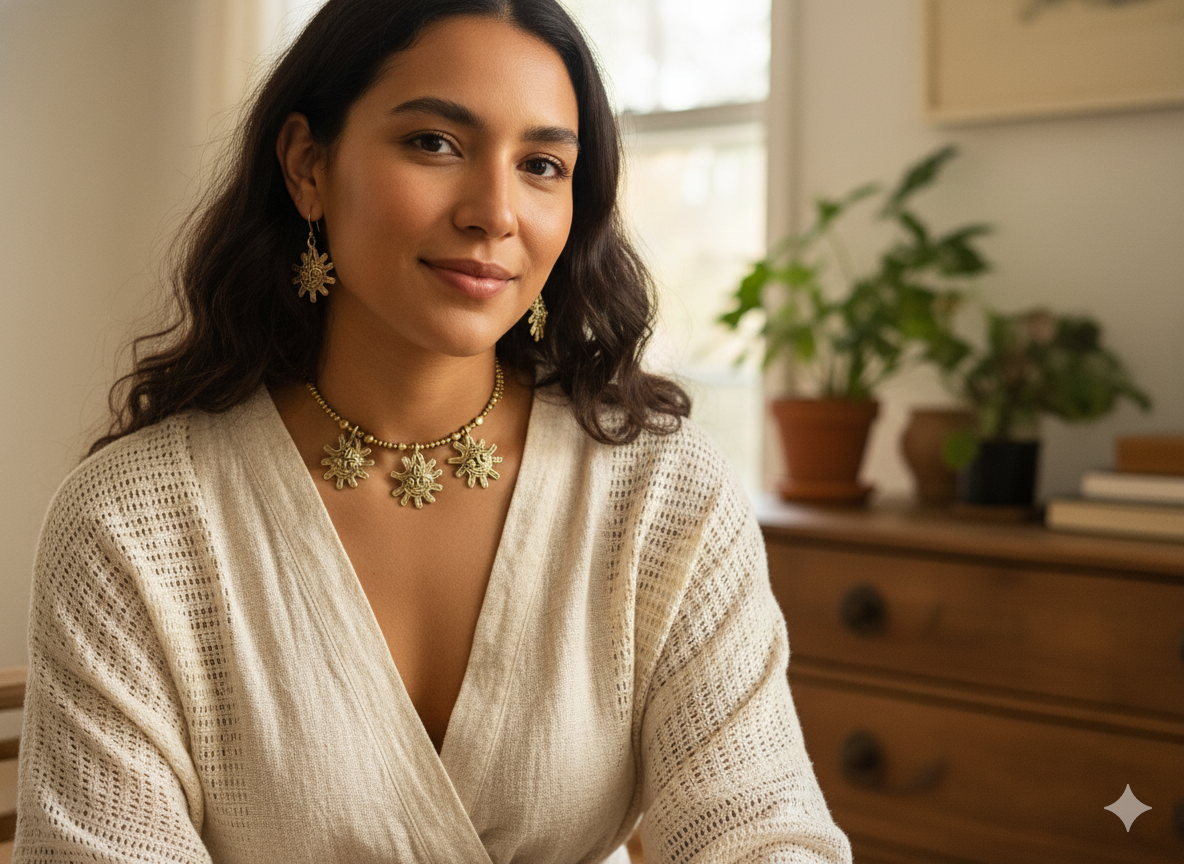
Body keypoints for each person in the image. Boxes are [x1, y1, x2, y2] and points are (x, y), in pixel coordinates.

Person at [15, 1, 852, 861]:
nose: (495, 212)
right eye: (435, 143)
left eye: (541, 165)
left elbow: (759, 830)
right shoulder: (133, 525)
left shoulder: (663, 494)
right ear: (307, 165)